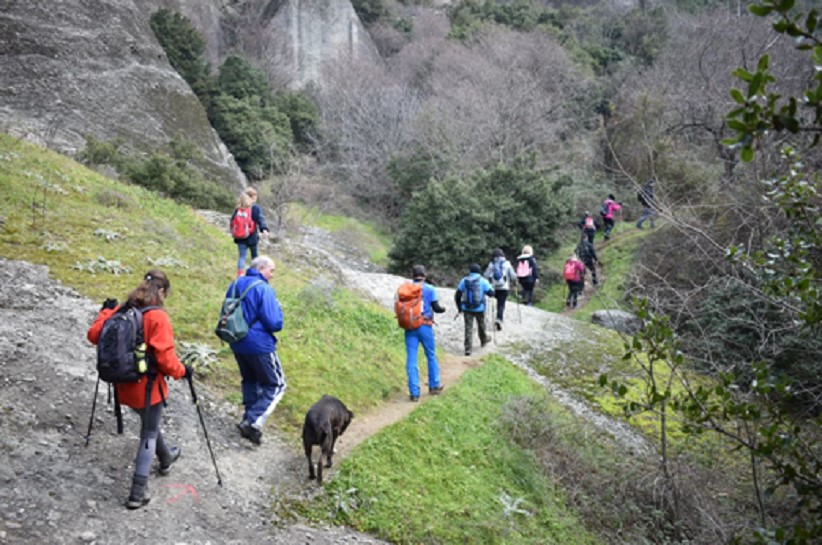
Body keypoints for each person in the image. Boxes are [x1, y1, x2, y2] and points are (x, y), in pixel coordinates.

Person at [86, 269, 191, 510]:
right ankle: (138, 492)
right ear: (162, 292)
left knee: (149, 423)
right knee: (149, 434)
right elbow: (166, 360)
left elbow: (93, 335)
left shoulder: (123, 309)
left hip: (122, 384)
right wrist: (183, 371)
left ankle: (166, 457)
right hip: (147, 388)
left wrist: (104, 311)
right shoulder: (158, 317)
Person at [227, 256, 285, 445]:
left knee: (251, 380)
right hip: (259, 344)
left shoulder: (235, 284)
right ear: (261, 268)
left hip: (236, 340)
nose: (272, 275)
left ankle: (248, 423)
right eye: (271, 270)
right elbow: (275, 323)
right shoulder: (263, 288)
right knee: (276, 384)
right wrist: (280, 311)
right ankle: (252, 421)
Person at [402, 265, 446, 402]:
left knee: (411, 358)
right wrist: (443, 309)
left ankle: (414, 392)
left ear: (412, 275)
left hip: (410, 327)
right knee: (431, 355)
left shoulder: (406, 289)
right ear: (424, 275)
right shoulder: (430, 289)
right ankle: (433, 385)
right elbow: (437, 308)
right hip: (425, 326)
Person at [455, 264, 495, 356]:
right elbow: (491, 293)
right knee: (481, 324)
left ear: (470, 271)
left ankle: (468, 348)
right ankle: (483, 340)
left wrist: (459, 307)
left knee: (468, 327)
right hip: (479, 308)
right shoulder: (483, 281)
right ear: (479, 271)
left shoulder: (464, 280)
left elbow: (457, 294)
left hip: (466, 308)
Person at [231, 188, 270, 277]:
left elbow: (232, 222)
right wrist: (264, 229)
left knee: (242, 257)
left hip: (240, 238)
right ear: (252, 197)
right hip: (252, 237)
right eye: (255, 195)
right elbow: (260, 219)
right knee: (255, 258)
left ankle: (240, 275)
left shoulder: (239, 208)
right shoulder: (255, 207)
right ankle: (255, 275)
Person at [484, 248, 517, 330]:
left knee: (492, 303)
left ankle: (487, 318)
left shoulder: (491, 264)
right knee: (501, 304)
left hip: (493, 287)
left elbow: (485, 275)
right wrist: (514, 280)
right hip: (504, 287)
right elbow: (513, 276)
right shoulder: (507, 264)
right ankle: (499, 319)